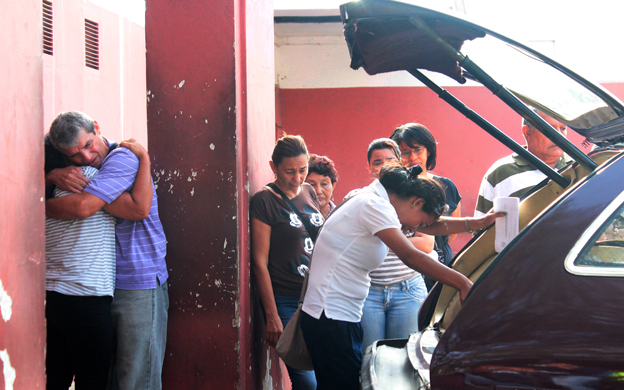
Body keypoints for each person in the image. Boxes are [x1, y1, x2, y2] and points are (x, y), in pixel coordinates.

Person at [300, 163, 503, 390]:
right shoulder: (374, 205)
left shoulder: (374, 198)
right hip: (331, 317)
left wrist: (477, 223)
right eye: (420, 222)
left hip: (337, 315)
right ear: (416, 202)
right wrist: (463, 284)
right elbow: (411, 256)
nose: (415, 228)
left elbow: (429, 226)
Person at [45, 111, 169, 390]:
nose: (86, 158)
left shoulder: (122, 157)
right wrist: (52, 175)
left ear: (97, 128)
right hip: (104, 284)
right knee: (112, 376)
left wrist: (37, 205)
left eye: (88, 145)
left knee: (136, 378)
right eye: (75, 155)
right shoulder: (77, 171)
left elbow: (86, 206)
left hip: (138, 279)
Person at [250, 135, 323, 390]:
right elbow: (259, 262)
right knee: (306, 380)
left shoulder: (309, 191)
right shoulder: (264, 201)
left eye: (303, 169)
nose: (298, 177)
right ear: (273, 167)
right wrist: (271, 314)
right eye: (290, 171)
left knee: (326, 372)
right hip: (286, 299)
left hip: (317, 296)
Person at [360, 138, 436, 350]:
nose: (383, 166)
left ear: (400, 163)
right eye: (377, 162)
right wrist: (397, 241)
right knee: (369, 357)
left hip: (407, 289)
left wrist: (385, 240)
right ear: (369, 167)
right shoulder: (365, 200)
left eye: (390, 160)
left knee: (405, 357)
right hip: (369, 291)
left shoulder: (413, 196)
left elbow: (425, 244)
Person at [391, 123, 462, 290]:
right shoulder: (393, 191)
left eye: (418, 150)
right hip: (404, 276)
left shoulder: (447, 186)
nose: (413, 157)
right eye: (405, 152)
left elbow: (452, 232)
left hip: (442, 270)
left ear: (429, 150)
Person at [475, 110, 571, 217]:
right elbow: (480, 228)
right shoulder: (501, 172)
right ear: (527, 132)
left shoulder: (578, 168)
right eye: (550, 128)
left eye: (563, 128)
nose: (559, 135)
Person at [305, 154, 339, 219]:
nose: (318, 191)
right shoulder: (296, 218)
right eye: (312, 185)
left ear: (333, 186)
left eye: (324, 184)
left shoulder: (341, 217)